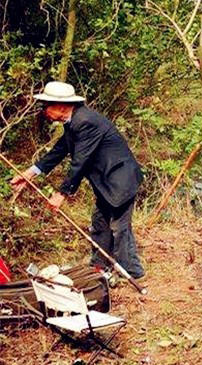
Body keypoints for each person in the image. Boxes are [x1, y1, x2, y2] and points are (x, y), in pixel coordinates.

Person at [10, 81, 145, 280]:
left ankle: (132, 272)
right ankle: (98, 267)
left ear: (62, 106)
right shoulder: (73, 123)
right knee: (100, 223)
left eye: (47, 105)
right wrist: (29, 173)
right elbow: (58, 151)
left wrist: (62, 193)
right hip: (106, 182)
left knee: (119, 227)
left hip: (120, 180)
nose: (44, 110)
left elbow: (80, 161)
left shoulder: (85, 122)